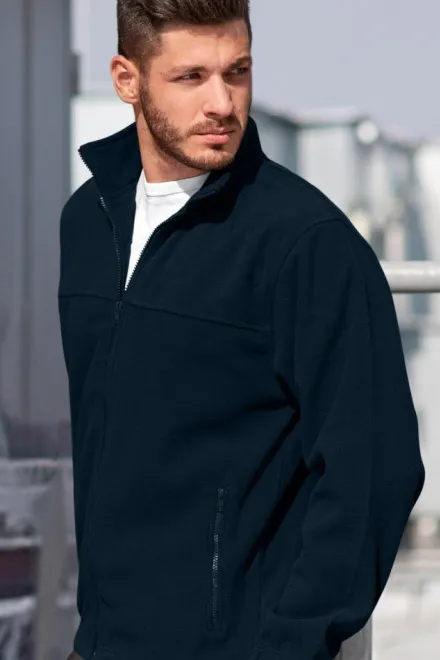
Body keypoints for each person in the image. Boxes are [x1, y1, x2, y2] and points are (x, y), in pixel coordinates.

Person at [59, 1, 424, 660]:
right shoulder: (87, 223)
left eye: (238, 71)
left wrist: (293, 644)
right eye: (191, 77)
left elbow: (373, 471)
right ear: (127, 79)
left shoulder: (307, 244)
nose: (223, 103)